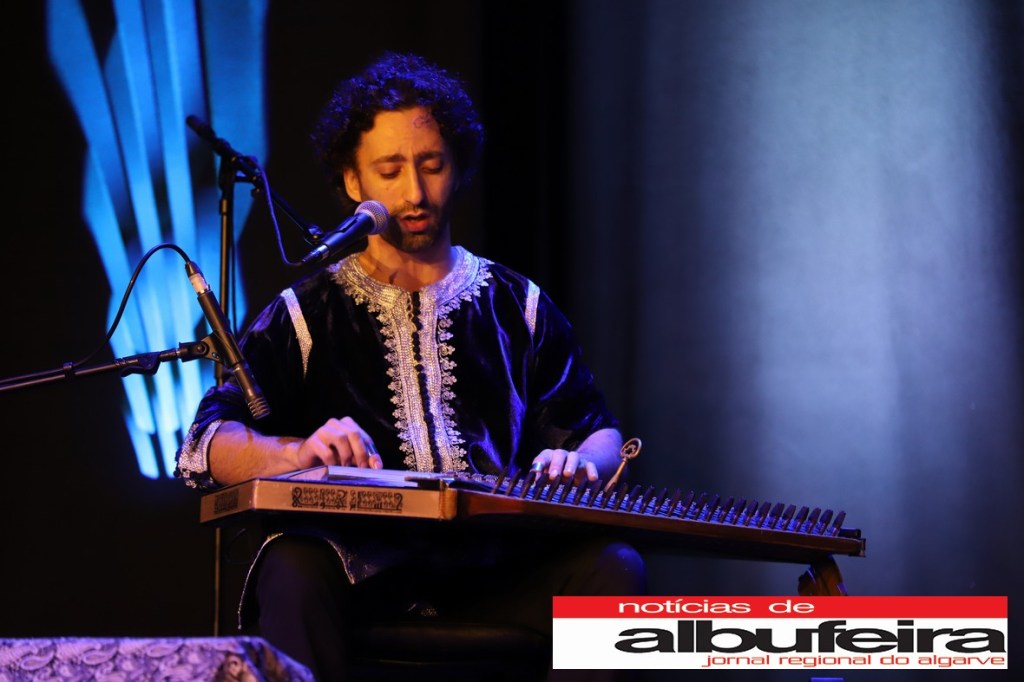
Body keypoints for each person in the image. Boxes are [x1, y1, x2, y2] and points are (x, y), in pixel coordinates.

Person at [176, 52, 646, 681]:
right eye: (390, 171)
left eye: (432, 165)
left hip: (500, 573)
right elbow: (207, 444)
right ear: (353, 182)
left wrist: (583, 463)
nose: (415, 194)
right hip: (357, 578)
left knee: (614, 567)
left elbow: (597, 431)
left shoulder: (519, 304)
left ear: (459, 167)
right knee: (291, 565)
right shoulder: (305, 314)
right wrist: (296, 453)